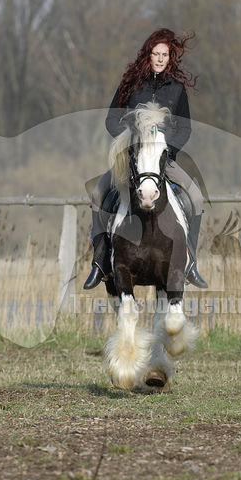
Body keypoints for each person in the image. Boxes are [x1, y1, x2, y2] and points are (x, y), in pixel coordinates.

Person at [84, 28, 207, 290]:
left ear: (171, 57)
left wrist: (168, 149)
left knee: (195, 197)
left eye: (165, 55)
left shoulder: (176, 89)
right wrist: (130, 142)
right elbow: (110, 120)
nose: (161, 59)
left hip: (162, 160)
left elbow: (185, 128)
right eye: (156, 54)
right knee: (97, 195)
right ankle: (100, 262)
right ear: (147, 55)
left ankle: (191, 264)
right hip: (131, 160)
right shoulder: (131, 84)